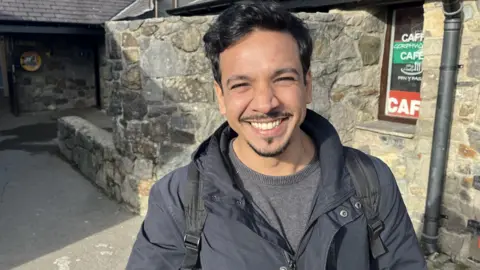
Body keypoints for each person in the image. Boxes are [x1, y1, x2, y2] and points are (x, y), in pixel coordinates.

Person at [126, 2, 427, 269]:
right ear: (220, 97)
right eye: (241, 84)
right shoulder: (178, 198)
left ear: (307, 86)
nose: (265, 103)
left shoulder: (372, 181)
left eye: (283, 79)